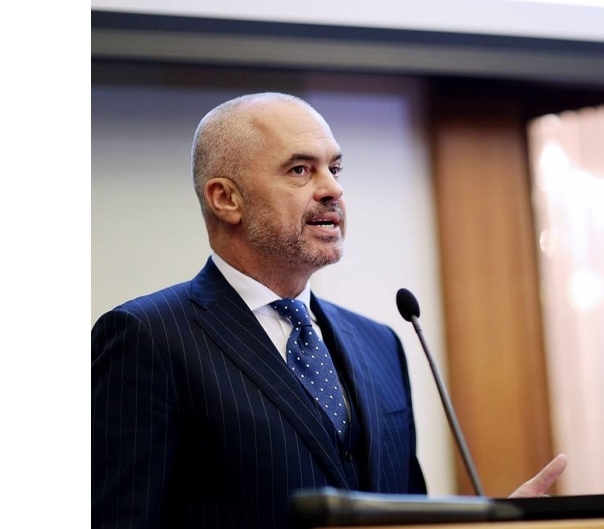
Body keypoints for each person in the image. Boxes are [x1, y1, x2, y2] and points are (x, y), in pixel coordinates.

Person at [92, 92, 567, 529]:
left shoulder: (380, 343)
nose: (332, 190)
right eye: (300, 170)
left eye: (335, 169)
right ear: (226, 198)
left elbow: (408, 516)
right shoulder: (146, 336)